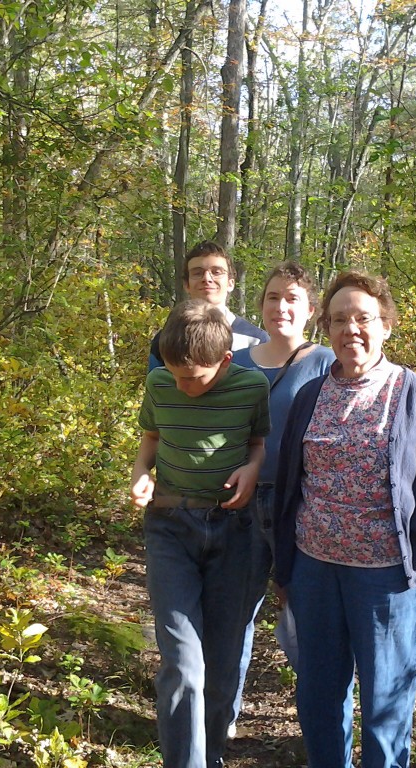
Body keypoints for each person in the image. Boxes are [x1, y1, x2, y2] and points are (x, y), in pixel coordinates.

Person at [272, 271, 416, 768]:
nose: (350, 329)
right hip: (314, 573)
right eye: (338, 320)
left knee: (385, 706)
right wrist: (284, 569)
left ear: (387, 326)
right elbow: (291, 488)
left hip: (389, 581)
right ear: (326, 328)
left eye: (363, 318)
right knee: (317, 698)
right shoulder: (309, 397)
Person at [131, 299, 270, 768]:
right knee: (184, 665)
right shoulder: (159, 383)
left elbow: (257, 445)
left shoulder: (252, 387)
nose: (183, 386)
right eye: (175, 374)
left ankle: (209, 755)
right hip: (171, 527)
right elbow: (150, 439)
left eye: (196, 377)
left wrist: (252, 470)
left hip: (234, 532)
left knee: (222, 662)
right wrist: (140, 474)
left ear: (226, 361)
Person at [229, 262, 334, 729]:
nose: (281, 307)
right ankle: (220, 722)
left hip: (301, 506)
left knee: (305, 622)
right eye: (273, 298)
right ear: (261, 305)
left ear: (310, 310)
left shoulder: (326, 363)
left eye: (292, 299)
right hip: (238, 507)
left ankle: (318, 726)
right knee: (232, 620)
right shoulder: (237, 363)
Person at [148, 240, 268, 371]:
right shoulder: (166, 338)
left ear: (230, 283)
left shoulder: (255, 340)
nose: (207, 278)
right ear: (186, 285)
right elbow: (156, 389)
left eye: (216, 272)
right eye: (197, 273)